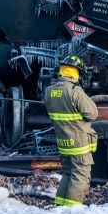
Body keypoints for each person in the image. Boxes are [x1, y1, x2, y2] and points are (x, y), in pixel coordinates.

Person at [43, 55, 98, 206]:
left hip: (63, 142)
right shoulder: (75, 91)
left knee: (68, 173)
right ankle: (72, 211)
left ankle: (60, 206)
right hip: (79, 142)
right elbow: (92, 113)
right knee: (80, 175)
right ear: (76, 73)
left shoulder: (49, 91)